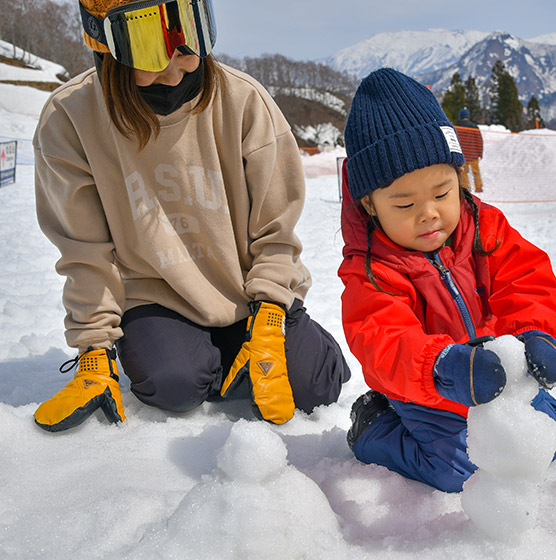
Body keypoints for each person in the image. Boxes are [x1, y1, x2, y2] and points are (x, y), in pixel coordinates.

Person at [31, 0, 350, 432]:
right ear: (106, 48)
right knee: (172, 385)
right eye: (149, 47)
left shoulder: (242, 101)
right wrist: (94, 351)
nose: (175, 69)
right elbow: (84, 250)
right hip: (157, 294)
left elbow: (276, 230)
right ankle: (209, 358)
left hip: (249, 290)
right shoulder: (70, 119)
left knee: (317, 387)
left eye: (189, 40)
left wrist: (272, 313)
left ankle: (254, 346)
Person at [338, 68, 556, 493]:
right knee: (459, 469)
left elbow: (526, 280)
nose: (428, 213)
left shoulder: (484, 228)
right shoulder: (372, 268)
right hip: (426, 388)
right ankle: (376, 429)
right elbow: (382, 339)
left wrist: (539, 335)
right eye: (405, 203)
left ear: (458, 178)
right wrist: (443, 368)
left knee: (553, 432)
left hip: (494, 374)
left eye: (442, 193)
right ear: (370, 206)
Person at [455, 107, 484, 193]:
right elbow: (479, 141)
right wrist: (480, 152)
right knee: (476, 172)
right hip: (473, 154)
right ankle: (478, 187)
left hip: (463, 155)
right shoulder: (474, 126)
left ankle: (466, 189)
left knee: (463, 173)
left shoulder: (457, 127)